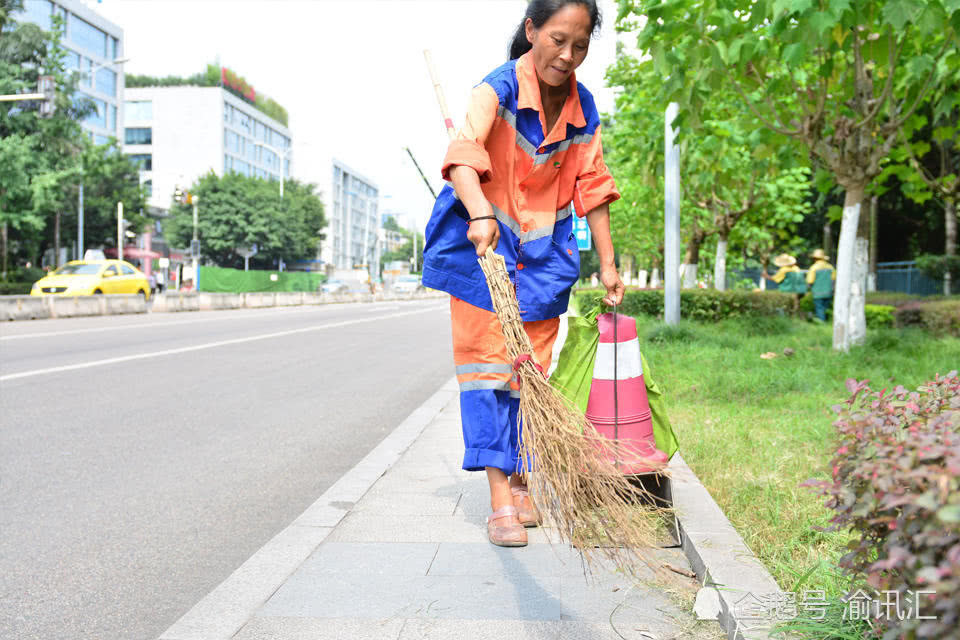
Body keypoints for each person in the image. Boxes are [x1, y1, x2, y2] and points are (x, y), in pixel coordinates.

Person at [422, 0, 624, 548]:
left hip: (541, 262)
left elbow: (595, 186)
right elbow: (463, 156)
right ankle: (500, 501)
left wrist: (608, 264)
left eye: (580, 45)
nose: (567, 54)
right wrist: (481, 214)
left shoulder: (583, 107)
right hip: (481, 250)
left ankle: (521, 473)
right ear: (532, 29)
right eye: (557, 39)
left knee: (527, 376)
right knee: (487, 374)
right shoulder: (497, 89)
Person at [806, 248, 835, 321]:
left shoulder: (814, 268)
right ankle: (828, 321)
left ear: (815, 258)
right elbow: (834, 279)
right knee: (826, 307)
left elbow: (810, 281)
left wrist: (808, 290)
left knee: (819, 308)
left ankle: (821, 322)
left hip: (817, 292)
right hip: (829, 292)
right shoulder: (830, 267)